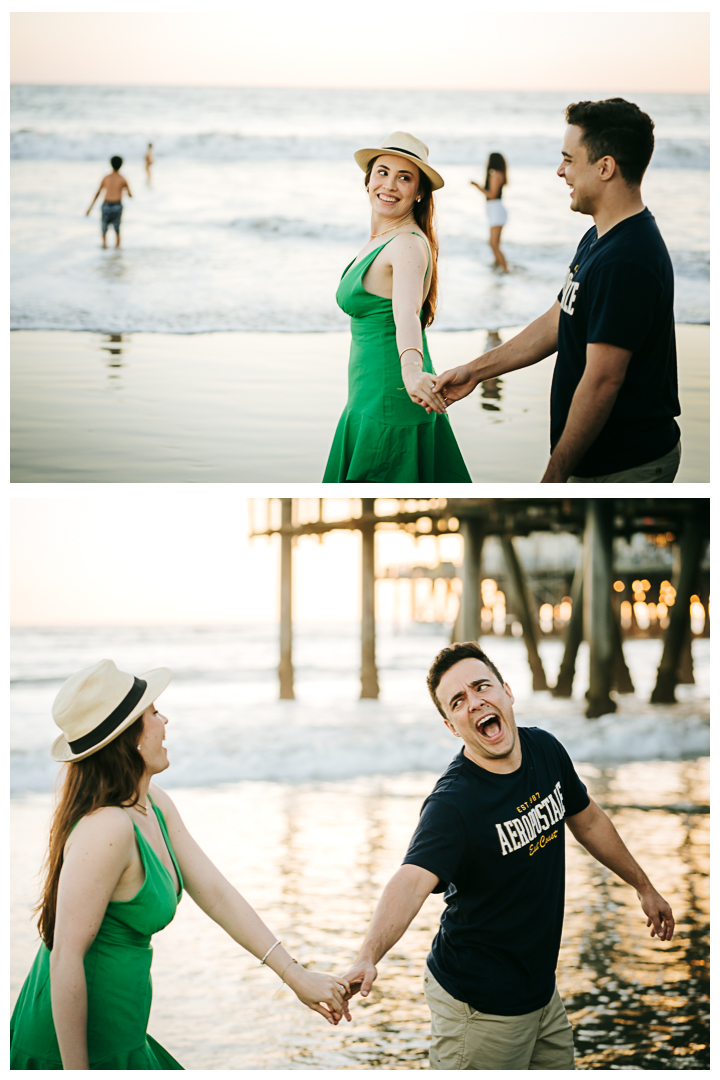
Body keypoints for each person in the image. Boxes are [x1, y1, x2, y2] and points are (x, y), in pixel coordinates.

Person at [340, 641, 675, 1070]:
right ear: (451, 725)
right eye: (458, 701)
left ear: (507, 692)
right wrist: (368, 955)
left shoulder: (545, 751)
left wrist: (643, 885)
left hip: (540, 995)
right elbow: (410, 880)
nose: (475, 702)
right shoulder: (453, 805)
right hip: (478, 1008)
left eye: (482, 686)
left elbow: (587, 819)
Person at [10, 660, 349, 1070]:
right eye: (153, 712)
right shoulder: (107, 829)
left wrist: (295, 975)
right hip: (72, 1049)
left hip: (123, 1033)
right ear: (128, 737)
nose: (164, 719)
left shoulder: (153, 805)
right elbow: (66, 957)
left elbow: (218, 896)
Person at [434, 98, 681, 483]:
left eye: (568, 159)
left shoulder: (627, 259)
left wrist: (552, 478)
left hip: (625, 464)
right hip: (599, 461)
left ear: (605, 167)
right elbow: (557, 320)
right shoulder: (599, 236)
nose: (559, 171)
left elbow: (602, 383)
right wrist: (475, 371)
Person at [322, 132, 471, 482]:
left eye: (405, 178)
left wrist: (410, 371)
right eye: (383, 172)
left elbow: (407, 314)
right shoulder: (384, 238)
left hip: (391, 401)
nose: (390, 184)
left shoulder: (405, 243)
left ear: (419, 192)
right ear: (368, 180)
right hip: (369, 396)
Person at [471, 152, 509, 272]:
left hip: (496, 210)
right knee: (494, 244)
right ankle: (498, 267)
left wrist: (478, 187)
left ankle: (505, 269)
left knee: (493, 243)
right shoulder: (499, 174)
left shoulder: (495, 174)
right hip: (495, 210)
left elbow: (492, 195)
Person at [86, 156, 132, 249]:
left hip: (106, 205)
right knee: (117, 230)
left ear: (110, 164)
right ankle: (117, 249)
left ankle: (104, 246)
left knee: (104, 229)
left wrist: (89, 208)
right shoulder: (122, 179)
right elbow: (130, 195)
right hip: (117, 205)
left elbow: (98, 193)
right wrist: (123, 192)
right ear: (121, 165)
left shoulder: (106, 177)